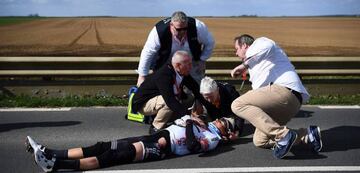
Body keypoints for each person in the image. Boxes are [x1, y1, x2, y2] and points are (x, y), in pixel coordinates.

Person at [25, 116, 242, 172]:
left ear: (226, 131)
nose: (218, 121)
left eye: (223, 122)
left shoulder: (212, 139)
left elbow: (195, 147)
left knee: (113, 157)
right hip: (157, 136)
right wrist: (187, 121)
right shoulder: (204, 124)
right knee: (102, 146)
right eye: (220, 118)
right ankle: (50, 152)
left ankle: (55, 165)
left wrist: (188, 124)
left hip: (161, 148)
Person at [230, 34, 322, 159]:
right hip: (289, 102)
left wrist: (244, 65)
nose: (236, 53)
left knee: (237, 104)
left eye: (236, 49)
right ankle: (306, 135)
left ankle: (283, 135)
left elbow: (269, 46)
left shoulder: (259, 43)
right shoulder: (255, 66)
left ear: (245, 45)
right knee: (260, 141)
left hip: (284, 91)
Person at [132, 50, 211, 134]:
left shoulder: (182, 71)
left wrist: (209, 107)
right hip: (143, 104)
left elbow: (196, 89)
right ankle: (155, 127)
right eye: (188, 64)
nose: (191, 67)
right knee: (166, 103)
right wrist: (189, 116)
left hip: (161, 99)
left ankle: (175, 120)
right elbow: (170, 101)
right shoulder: (164, 75)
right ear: (178, 65)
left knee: (190, 98)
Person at [137, 11, 214, 86]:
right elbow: (148, 52)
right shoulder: (159, 31)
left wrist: (202, 59)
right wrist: (142, 75)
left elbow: (210, 42)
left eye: (185, 29)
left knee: (196, 85)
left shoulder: (198, 27)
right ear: (171, 25)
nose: (182, 32)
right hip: (165, 62)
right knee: (164, 85)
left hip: (192, 62)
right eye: (178, 29)